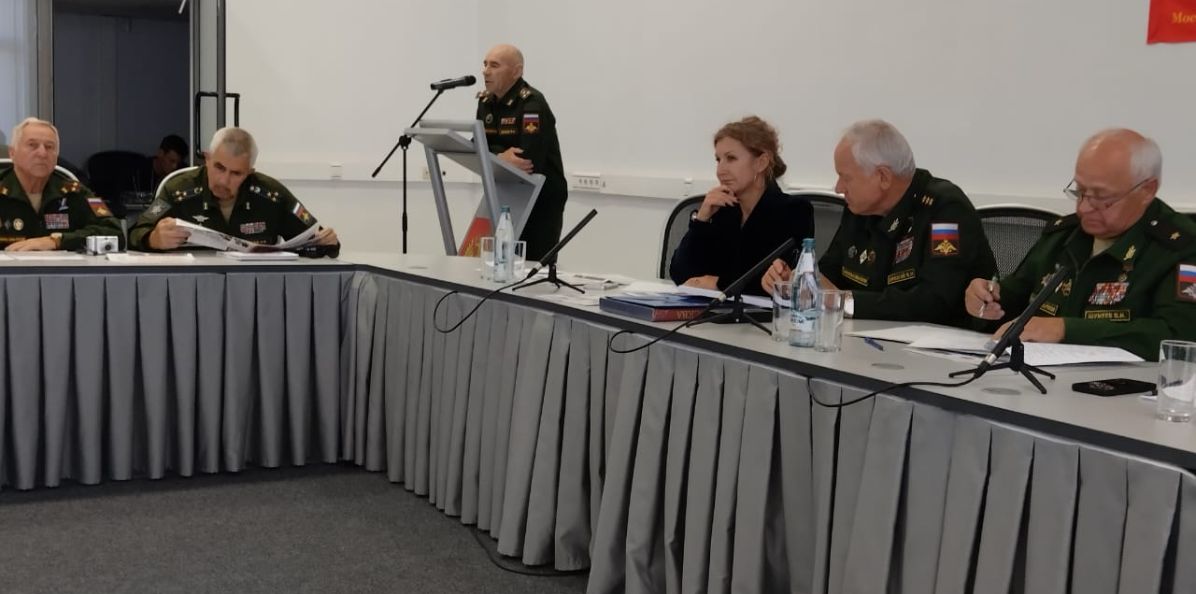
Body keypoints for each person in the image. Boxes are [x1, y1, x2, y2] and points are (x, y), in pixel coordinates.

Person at [965, 128, 1196, 361]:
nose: (1084, 208)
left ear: (1147, 190)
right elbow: (1014, 300)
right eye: (1080, 191)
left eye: (1102, 197)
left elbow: (1179, 337)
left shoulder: (1182, 248)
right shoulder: (1064, 235)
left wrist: (1065, 330)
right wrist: (986, 300)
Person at [760, 119, 997, 325]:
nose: (838, 188)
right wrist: (798, 281)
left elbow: (934, 301)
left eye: (846, 178)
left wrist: (843, 302)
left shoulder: (945, 209)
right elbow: (830, 274)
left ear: (883, 177)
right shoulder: (859, 208)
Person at [128, 127, 339, 255]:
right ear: (207, 159)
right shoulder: (178, 190)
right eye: (219, 168)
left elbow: (311, 240)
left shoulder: (271, 194)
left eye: (236, 173)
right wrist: (152, 239)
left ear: (249, 173)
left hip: (257, 289)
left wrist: (328, 242)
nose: (224, 180)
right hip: (193, 287)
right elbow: (135, 233)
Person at [669, 116, 813, 297]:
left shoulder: (794, 211)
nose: (720, 170)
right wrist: (702, 220)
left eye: (731, 158)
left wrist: (718, 283)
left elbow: (775, 280)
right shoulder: (724, 209)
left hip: (761, 313)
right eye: (718, 160)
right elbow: (680, 274)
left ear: (761, 162)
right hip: (711, 311)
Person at [476, 43, 567, 261]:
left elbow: (526, 160)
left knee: (533, 267)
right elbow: (477, 144)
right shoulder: (486, 102)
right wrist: (500, 156)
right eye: (485, 64)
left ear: (516, 71)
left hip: (541, 200)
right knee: (498, 263)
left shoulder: (531, 103)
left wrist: (492, 153)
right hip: (505, 193)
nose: (485, 71)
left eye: (494, 65)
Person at [0, 117, 123, 251]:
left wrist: (58, 241)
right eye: (32, 145)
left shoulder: (75, 192)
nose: (42, 153)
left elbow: (115, 233)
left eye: (49, 147)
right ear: (12, 153)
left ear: (56, 155)